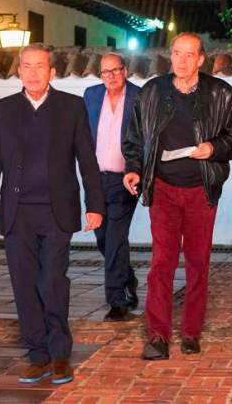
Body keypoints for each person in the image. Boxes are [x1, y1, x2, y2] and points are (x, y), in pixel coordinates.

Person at [0, 43, 104, 385]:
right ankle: (38, 355)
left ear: (52, 72)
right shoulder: (3, 109)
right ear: (19, 71)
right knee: (24, 284)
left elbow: (87, 160)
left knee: (52, 281)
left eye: (40, 66)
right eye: (27, 66)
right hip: (17, 214)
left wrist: (95, 205)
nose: (33, 72)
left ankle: (60, 354)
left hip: (56, 212)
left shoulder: (71, 107)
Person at [122, 33, 232, 360]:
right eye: (176, 53)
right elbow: (135, 138)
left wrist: (215, 147)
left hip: (200, 190)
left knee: (197, 262)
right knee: (161, 263)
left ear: (201, 59)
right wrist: (134, 168)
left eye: (189, 54)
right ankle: (158, 336)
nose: (181, 60)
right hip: (163, 189)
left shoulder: (221, 93)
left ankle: (191, 332)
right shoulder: (152, 91)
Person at [84, 53, 141, 321]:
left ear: (125, 71)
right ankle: (127, 277)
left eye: (116, 70)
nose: (111, 76)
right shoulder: (91, 96)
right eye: (106, 72)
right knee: (103, 238)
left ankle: (118, 300)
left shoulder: (139, 96)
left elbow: (146, 138)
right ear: (101, 75)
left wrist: (137, 170)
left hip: (125, 180)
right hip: (95, 180)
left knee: (116, 237)